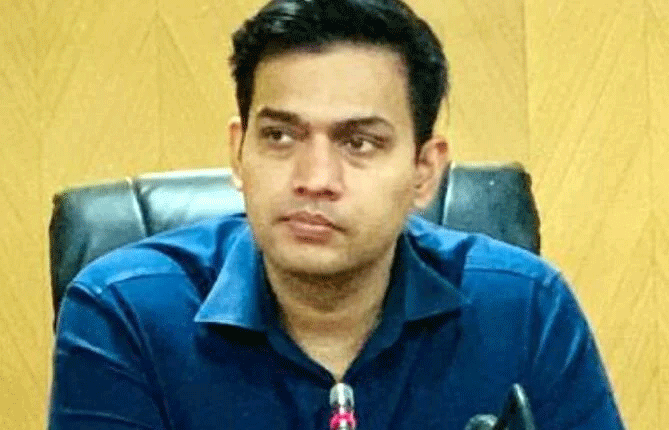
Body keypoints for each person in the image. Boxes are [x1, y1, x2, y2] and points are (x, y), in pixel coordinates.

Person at [48, 0, 625, 429]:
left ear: (424, 170)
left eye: (359, 143)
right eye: (279, 136)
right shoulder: (128, 312)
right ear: (238, 152)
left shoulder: (525, 309)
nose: (315, 178)